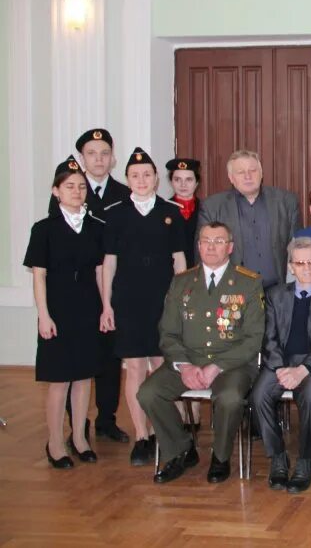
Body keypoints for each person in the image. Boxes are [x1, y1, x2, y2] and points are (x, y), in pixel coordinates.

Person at [139, 221, 265, 484]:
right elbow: (168, 332)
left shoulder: (248, 283)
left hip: (233, 363)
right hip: (188, 360)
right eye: (206, 240)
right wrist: (184, 365)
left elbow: (253, 340)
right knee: (149, 393)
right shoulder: (181, 282)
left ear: (230, 247)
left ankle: (220, 457)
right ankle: (182, 450)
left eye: (219, 241)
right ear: (198, 246)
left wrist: (216, 366)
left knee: (229, 398)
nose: (211, 246)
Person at [100, 148, 187, 466]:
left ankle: (167, 433)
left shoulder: (171, 212)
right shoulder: (116, 213)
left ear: (156, 179)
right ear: (127, 179)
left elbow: (179, 260)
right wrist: (107, 305)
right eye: (134, 175)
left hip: (163, 301)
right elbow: (109, 264)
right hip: (128, 302)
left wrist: (181, 303)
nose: (141, 180)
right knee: (135, 367)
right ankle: (141, 435)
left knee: (162, 366)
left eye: (147, 175)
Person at [49, 128, 130, 444]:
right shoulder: (68, 191)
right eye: (92, 153)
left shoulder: (124, 194)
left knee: (110, 358)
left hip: (114, 289)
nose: (99, 159)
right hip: (76, 293)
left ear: (113, 158)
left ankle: (106, 419)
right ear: (81, 158)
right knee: (76, 360)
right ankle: (76, 425)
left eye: (105, 153)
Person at [27, 157, 105, 468]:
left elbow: (100, 272)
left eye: (81, 186)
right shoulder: (44, 229)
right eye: (69, 186)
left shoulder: (95, 227)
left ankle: (80, 438)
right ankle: (56, 442)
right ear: (56, 191)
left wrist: (105, 308)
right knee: (60, 379)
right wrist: (43, 315)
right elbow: (38, 275)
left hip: (88, 308)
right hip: (57, 311)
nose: (76, 191)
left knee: (84, 377)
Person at [252, 237, 311, 493]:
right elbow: (268, 338)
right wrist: (281, 369)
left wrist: (302, 369)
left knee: (309, 393)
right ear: (291, 266)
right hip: (280, 362)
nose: (305, 268)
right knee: (258, 395)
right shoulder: (274, 294)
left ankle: (305, 460)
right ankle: (278, 457)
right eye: (299, 263)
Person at [197, 149, 300, 289]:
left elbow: (298, 248)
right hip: (232, 292)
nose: (248, 176)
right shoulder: (212, 207)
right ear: (231, 177)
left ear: (262, 173)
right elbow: (203, 253)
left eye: (253, 170)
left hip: (277, 292)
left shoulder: (286, 202)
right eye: (240, 172)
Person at [165, 158, 202, 269]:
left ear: (197, 182)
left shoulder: (206, 209)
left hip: (200, 270)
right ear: (171, 182)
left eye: (189, 180)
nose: (183, 185)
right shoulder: (162, 210)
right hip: (170, 270)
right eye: (177, 179)